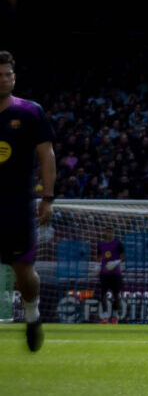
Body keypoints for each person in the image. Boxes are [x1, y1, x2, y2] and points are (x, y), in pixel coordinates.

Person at [0, 52, 54, 353]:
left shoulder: (31, 112)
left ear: (14, 77)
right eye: (0, 74)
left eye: (8, 74)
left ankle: (32, 315)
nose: (4, 79)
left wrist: (47, 197)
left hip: (17, 206)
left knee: (24, 271)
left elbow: (47, 155)